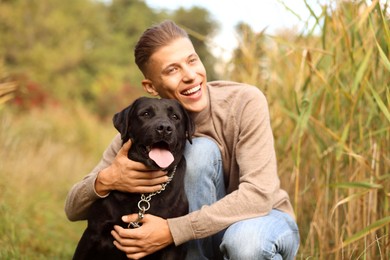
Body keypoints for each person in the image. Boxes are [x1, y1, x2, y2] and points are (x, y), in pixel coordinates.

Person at [65, 20, 300, 260]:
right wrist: (107, 180)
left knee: (245, 242)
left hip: (262, 220)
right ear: (151, 86)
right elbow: (73, 209)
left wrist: (172, 230)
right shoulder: (140, 129)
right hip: (205, 237)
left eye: (192, 60)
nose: (190, 75)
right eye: (172, 70)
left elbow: (259, 196)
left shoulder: (245, 102)